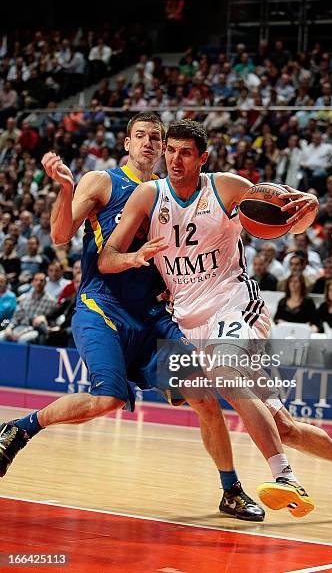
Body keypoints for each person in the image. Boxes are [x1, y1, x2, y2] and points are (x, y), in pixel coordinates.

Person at [100, 119, 332, 519]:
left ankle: (286, 478)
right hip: (186, 320)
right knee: (283, 426)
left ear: (203, 158)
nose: (175, 160)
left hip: (234, 305)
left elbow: (285, 213)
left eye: (185, 153)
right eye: (171, 150)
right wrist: (132, 258)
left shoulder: (225, 186)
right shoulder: (149, 195)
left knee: (225, 370)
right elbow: (107, 258)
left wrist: (310, 208)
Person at [0, 113, 265, 523]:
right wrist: (67, 189)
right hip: (102, 305)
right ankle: (22, 427)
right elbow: (60, 234)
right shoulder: (102, 181)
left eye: (155, 138)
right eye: (139, 135)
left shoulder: (169, 193)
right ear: (127, 143)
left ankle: (231, 490)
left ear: (164, 149)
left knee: (204, 399)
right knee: (107, 396)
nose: (147, 143)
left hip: (152, 316)